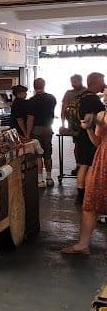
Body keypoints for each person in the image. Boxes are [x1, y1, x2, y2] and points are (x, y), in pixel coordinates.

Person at [61, 73, 107, 255]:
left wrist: (96, 120)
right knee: (90, 204)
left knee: (91, 204)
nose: (104, 95)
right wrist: (88, 128)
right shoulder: (100, 112)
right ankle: (82, 244)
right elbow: (97, 141)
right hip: (102, 160)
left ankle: (83, 245)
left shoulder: (102, 115)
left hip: (102, 161)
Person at [68, 72, 106, 205]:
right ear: (96, 83)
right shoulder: (93, 100)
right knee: (91, 165)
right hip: (92, 136)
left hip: (81, 134)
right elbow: (100, 119)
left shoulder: (82, 97)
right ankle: (88, 194)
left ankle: (80, 194)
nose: (104, 84)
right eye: (102, 82)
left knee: (83, 164)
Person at [26, 78, 57, 187]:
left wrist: (28, 134)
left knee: (38, 155)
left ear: (34, 86)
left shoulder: (31, 101)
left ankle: (40, 180)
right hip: (48, 128)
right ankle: (49, 178)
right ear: (44, 85)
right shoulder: (51, 98)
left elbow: (30, 119)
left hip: (36, 129)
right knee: (48, 154)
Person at [62, 74, 89, 177]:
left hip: (86, 124)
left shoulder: (87, 92)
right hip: (73, 125)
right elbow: (64, 108)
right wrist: (63, 124)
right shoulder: (69, 93)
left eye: (75, 82)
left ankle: (86, 165)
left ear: (80, 81)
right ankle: (79, 165)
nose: (73, 84)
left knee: (86, 145)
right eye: (72, 82)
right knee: (77, 145)